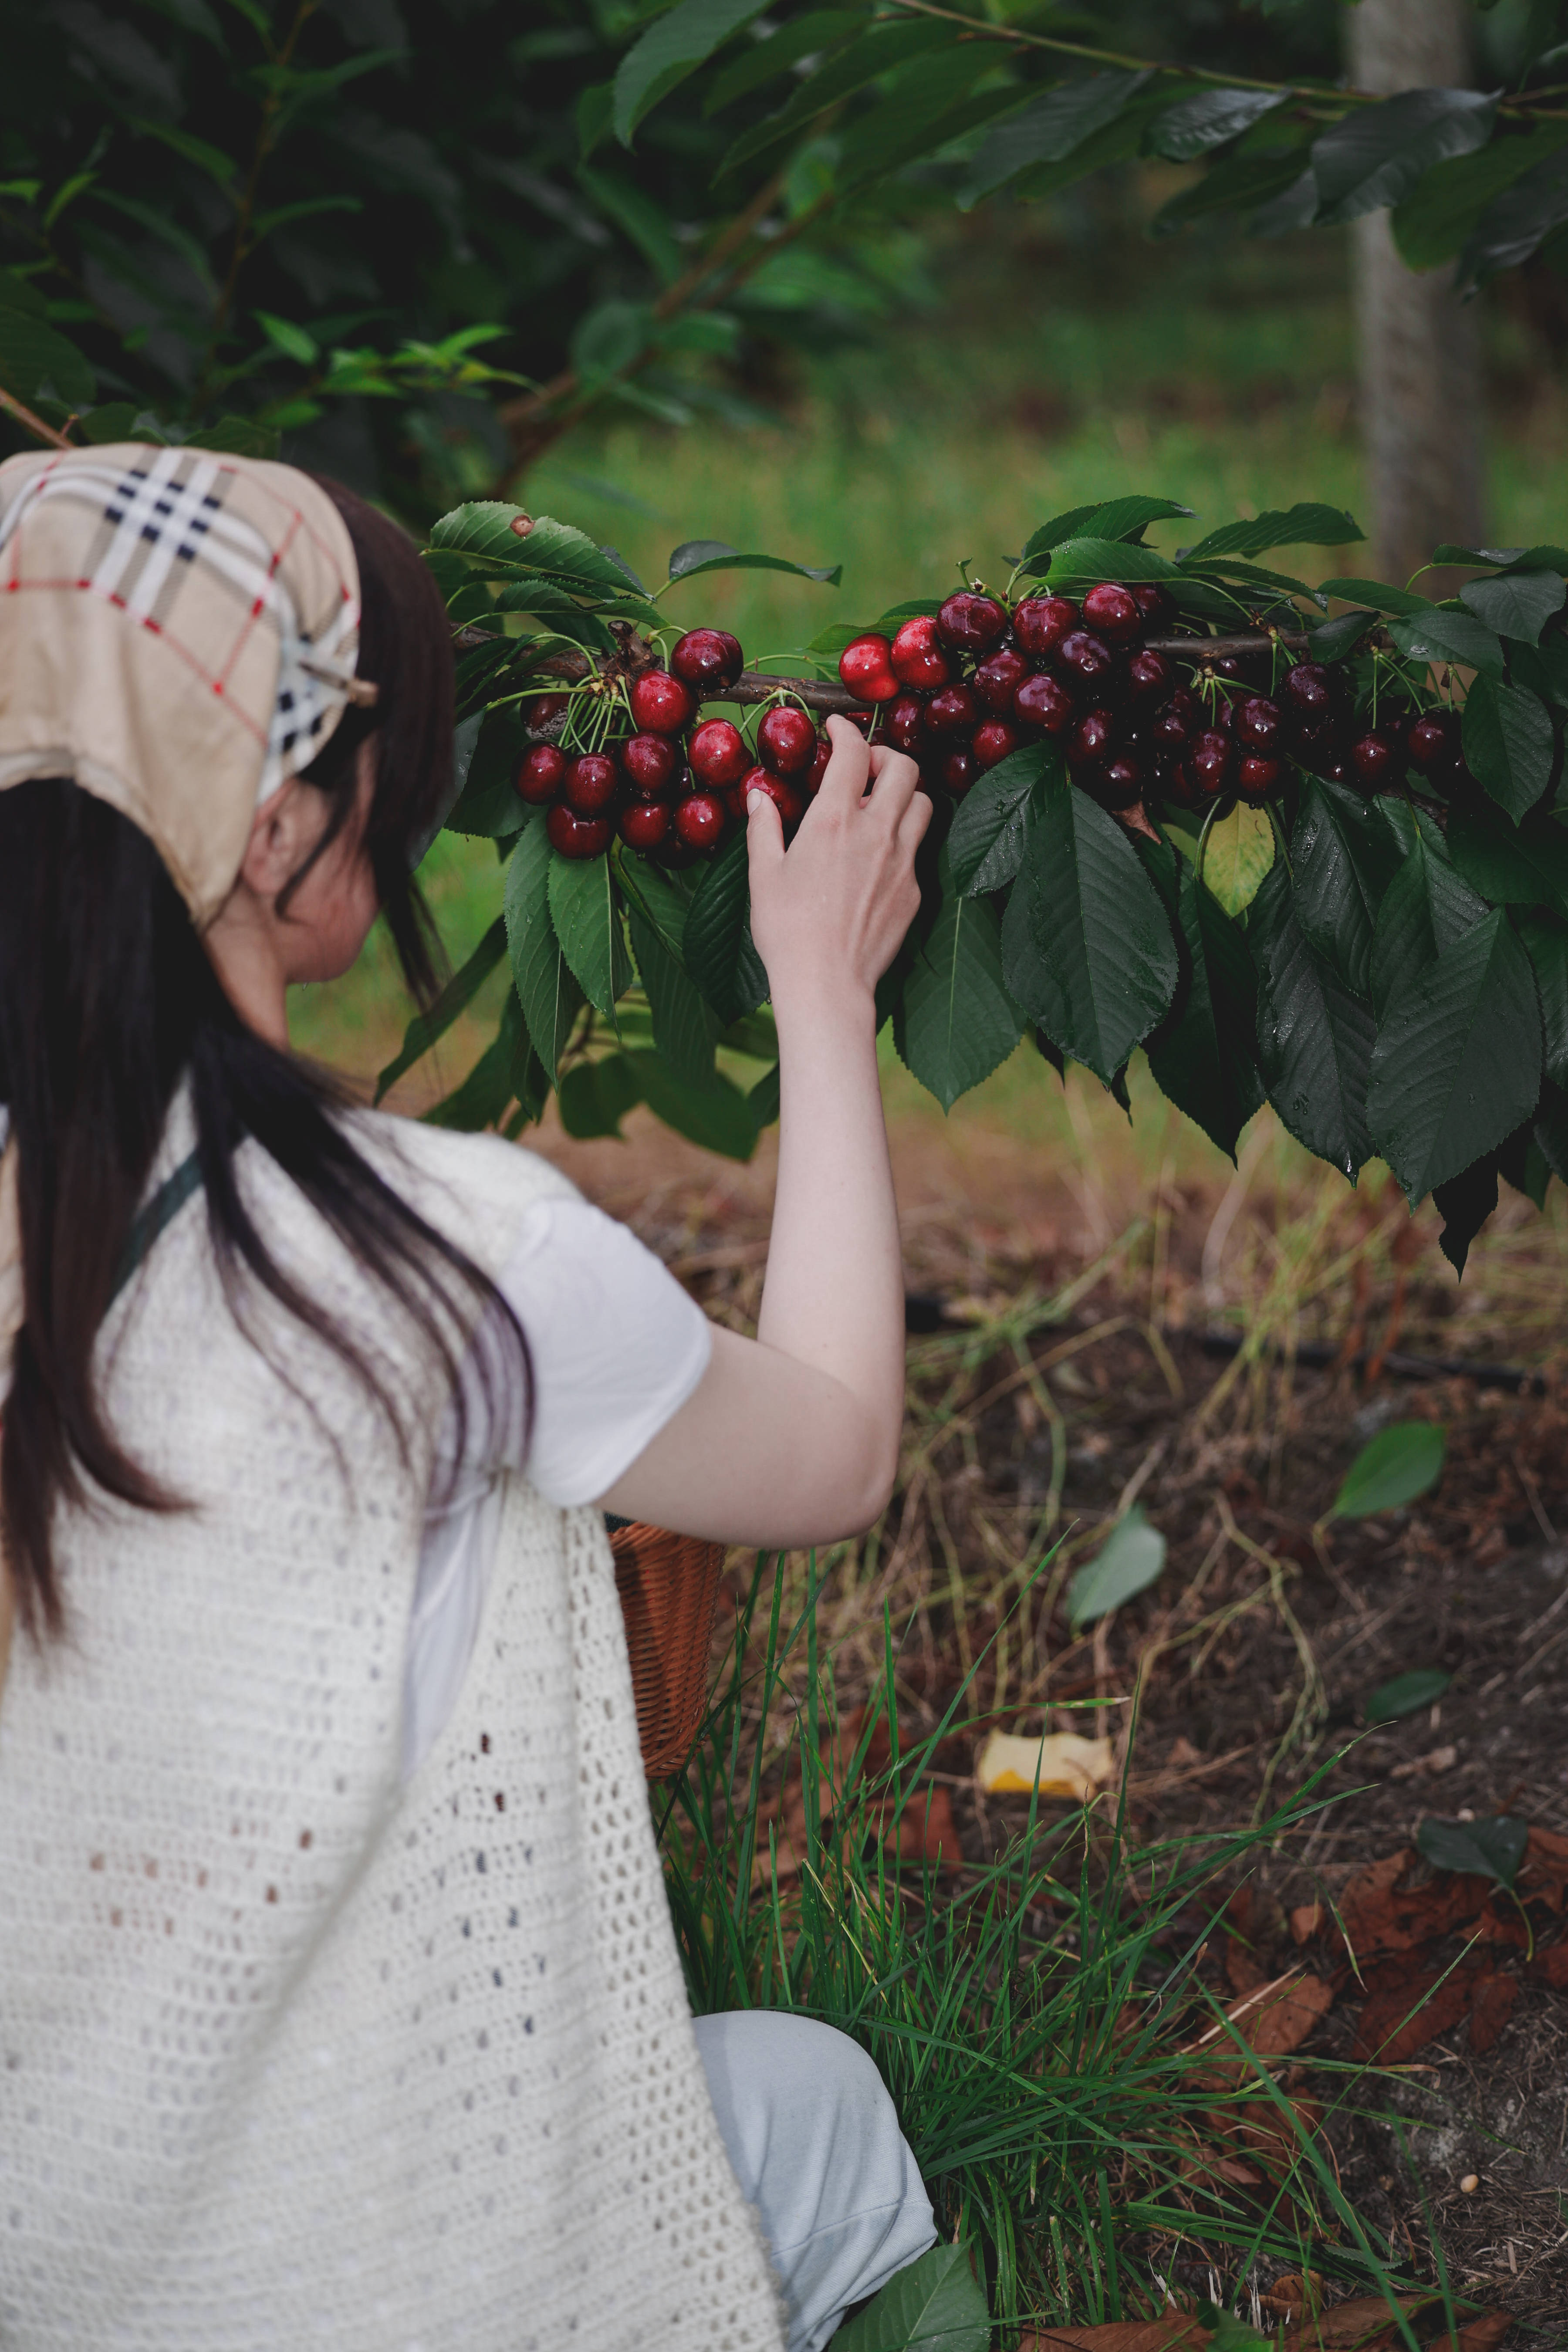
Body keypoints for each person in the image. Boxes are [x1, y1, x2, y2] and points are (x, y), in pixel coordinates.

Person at [0, 444, 939, 2352]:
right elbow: (836, 1449)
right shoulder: (443, 1260)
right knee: (816, 2110)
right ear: (279, 831)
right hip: (378, 2282)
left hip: (46, 2244)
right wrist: (820, 993)